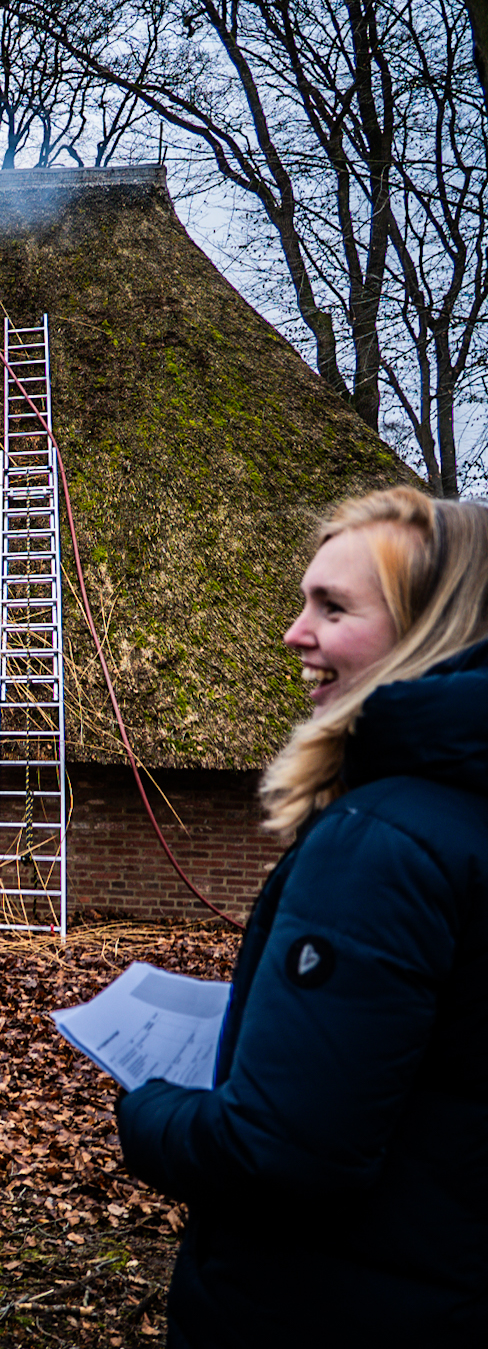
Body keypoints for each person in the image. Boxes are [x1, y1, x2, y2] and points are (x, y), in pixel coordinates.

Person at [117, 487, 488, 1347]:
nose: (293, 632)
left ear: (432, 629)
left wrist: (145, 1112)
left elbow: (282, 1152)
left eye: (334, 607)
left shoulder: (382, 840)